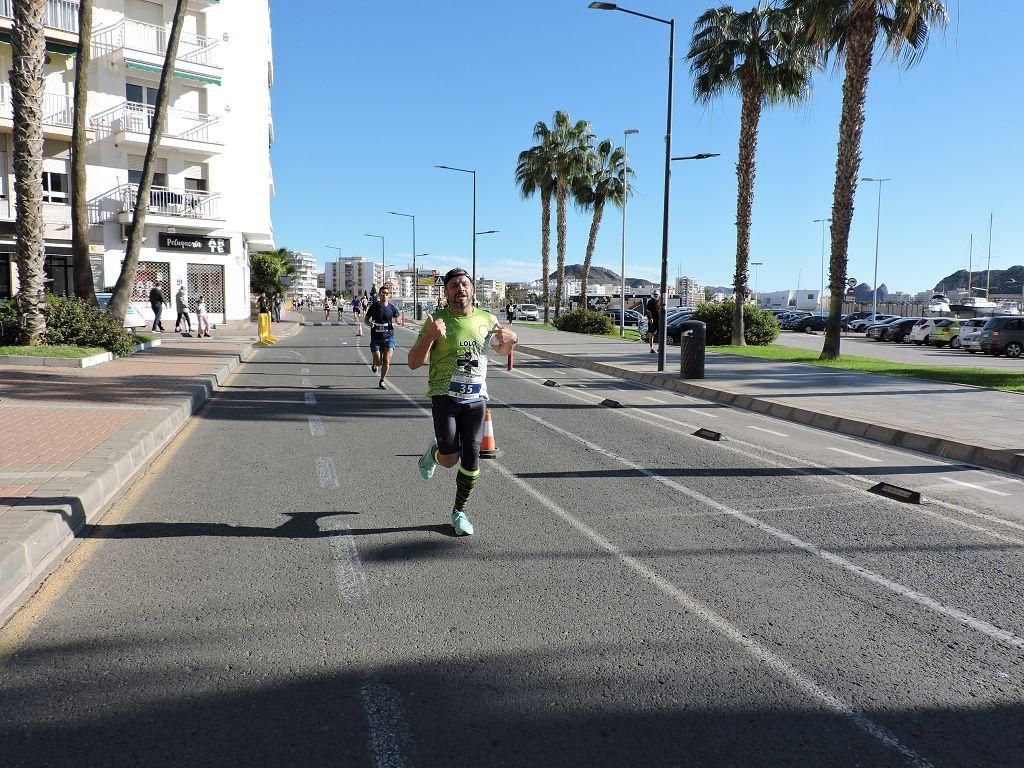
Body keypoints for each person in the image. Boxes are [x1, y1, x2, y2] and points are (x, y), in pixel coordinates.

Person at [407, 268, 518, 537]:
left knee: (472, 460)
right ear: (446, 292)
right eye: (454, 285)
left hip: (476, 400)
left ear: (472, 289)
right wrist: (431, 336)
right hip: (445, 397)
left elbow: (501, 350)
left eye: (464, 284)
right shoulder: (437, 320)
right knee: (448, 460)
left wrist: (513, 341)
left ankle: (459, 512)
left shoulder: (487, 319)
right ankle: (434, 453)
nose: (460, 288)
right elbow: (413, 362)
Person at [365, 286, 403, 389]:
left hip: (388, 337)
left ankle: (382, 380)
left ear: (389, 295)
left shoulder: (392, 307)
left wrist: (399, 321)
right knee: (379, 362)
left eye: (386, 293)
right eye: (382, 293)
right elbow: (366, 319)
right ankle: (375, 362)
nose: (384, 295)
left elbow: (398, 318)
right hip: (376, 338)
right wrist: (370, 324)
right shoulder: (373, 307)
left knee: (386, 361)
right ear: (379, 294)